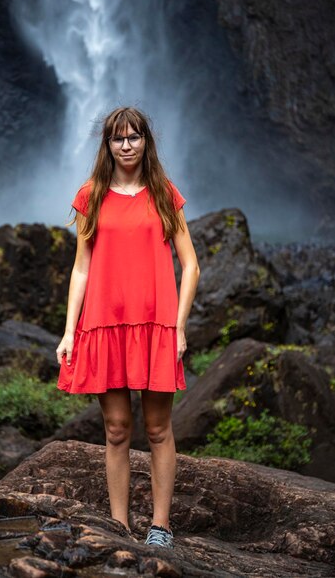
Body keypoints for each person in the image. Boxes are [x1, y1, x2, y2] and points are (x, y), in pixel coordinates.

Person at [56, 106, 200, 548]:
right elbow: (81, 268)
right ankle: (119, 527)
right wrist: (68, 331)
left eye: (133, 137)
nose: (126, 146)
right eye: (118, 139)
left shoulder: (163, 193)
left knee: (158, 428)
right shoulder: (92, 195)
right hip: (105, 324)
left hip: (155, 325)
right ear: (107, 145)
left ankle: (160, 527)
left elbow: (191, 265)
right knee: (116, 428)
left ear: (145, 141)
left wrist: (178, 327)